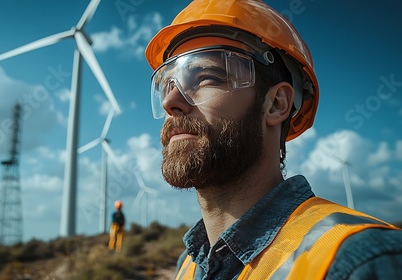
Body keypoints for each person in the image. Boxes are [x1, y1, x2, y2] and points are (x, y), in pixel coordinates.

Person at [144, 0, 402, 279]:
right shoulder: (189, 265)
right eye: (167, 84)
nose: (171, 101)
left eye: (206, 77)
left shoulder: (362, 261)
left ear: (277, 104)